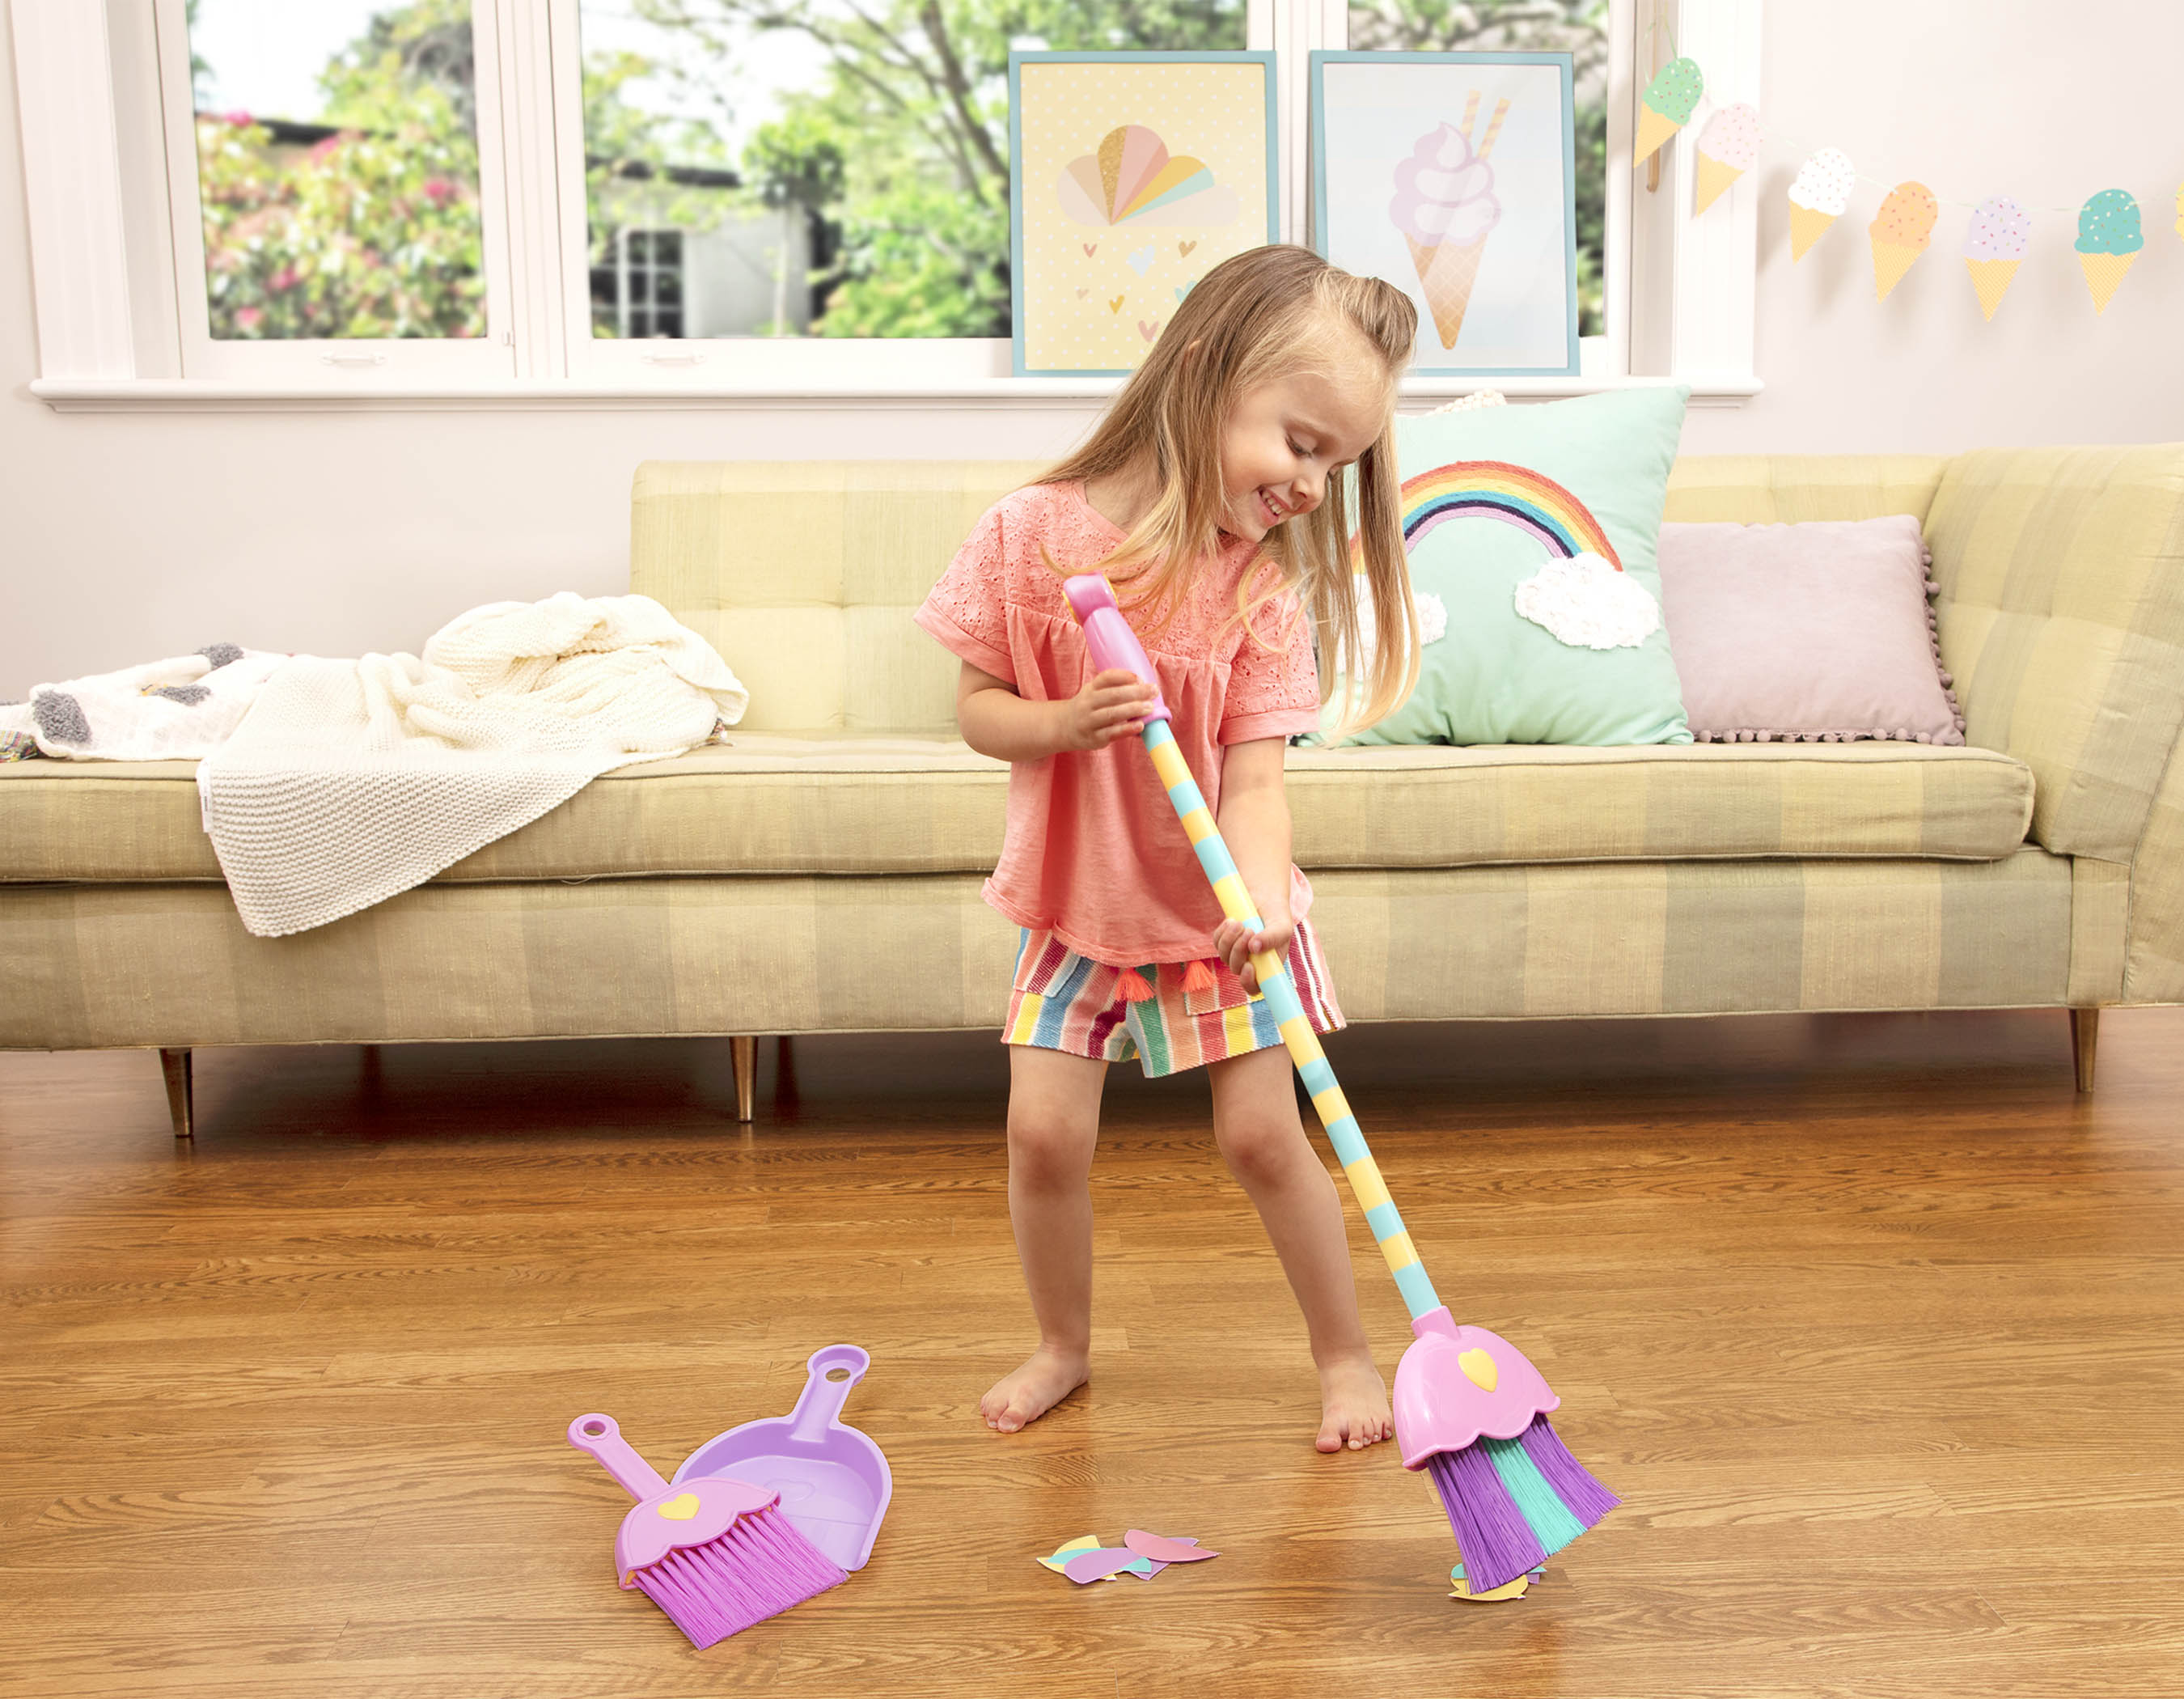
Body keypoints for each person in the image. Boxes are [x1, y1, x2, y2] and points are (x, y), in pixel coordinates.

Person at [913, 244, 1420, 1451]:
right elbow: (977, 710)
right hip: (1077, 906)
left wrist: (1260, 906)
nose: (1314, 486)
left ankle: (1347, 1358)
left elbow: (1257, 784)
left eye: (1338, 465)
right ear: (1204, 374)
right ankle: (1064, 1346)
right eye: (1303, 444)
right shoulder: (1027, 536)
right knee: (1042, 1135)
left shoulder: (1258, 596)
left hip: (1220, 918)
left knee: (1262, 1137)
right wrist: (1059, 723)